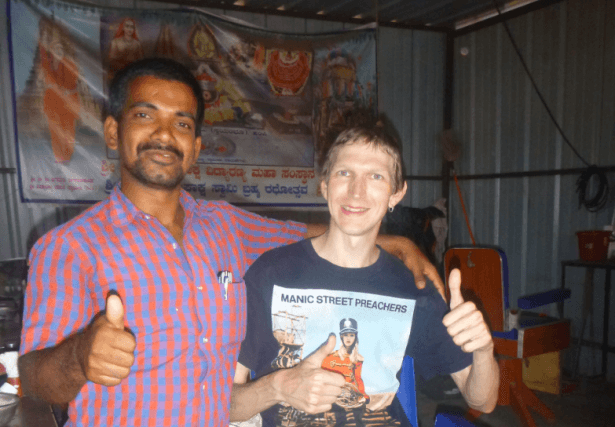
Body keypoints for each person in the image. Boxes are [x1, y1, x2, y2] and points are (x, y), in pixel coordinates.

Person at [18, 58, 442, 427]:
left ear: (196, 147)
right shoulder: (69, 247)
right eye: (146, 116)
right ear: (113, 132)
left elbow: (311, 234)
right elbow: (33, 378)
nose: (165, 134)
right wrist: (79, 357)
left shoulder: (224, 226)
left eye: (182, 123)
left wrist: (397, 243)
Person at [231, 124, 499, 427]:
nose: (356, 191)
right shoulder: (270, 275)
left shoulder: (413, 288)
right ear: (324, 185)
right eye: (344, 173)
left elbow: (483, 400)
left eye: (375, 176)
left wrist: (483, 350)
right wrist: (278, 387)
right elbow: (225, 405)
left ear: (396, 194)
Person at [321, 318, 367, 427]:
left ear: (355, 337)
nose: (348, 338)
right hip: (337, 394)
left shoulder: (358, 358)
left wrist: (363, 394)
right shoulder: (331, 357)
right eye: (346, 335)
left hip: (353, 394)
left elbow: (357, 377)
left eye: (352, 335)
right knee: (340, 422)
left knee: (359, 421)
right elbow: (324, 376)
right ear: (341, 336)